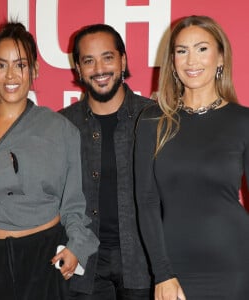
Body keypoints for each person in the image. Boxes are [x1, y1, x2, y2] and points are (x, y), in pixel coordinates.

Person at [0, 21, 99, 300]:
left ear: (35, 69)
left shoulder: (60, 129)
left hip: (41, 260)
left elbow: (75, 202)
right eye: (2, 64)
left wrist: (77, 246)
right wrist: (3, 167)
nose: (10, 75)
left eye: (20, 64)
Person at [134, 15, 249, 300]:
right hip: (173, 267)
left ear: (220, 58)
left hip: (234, 262)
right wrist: (162, 273)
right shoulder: (152, 120)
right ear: (172, 61)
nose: (191, 60)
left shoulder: (243, 121)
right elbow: (146, 201)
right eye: (182, 51)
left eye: (202, 49)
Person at [60, 24, 154, 300]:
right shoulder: (62, 125)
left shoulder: (154, 117)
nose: (99, 68)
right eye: (89, 60)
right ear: (78, 68)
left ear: (123, 60)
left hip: (143, 264)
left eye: (108, 57)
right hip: (84, 265)